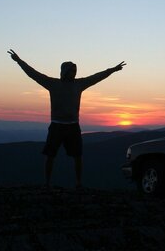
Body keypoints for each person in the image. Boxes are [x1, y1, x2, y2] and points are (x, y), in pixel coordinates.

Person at [7, 49, 126, 189]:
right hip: (57, 126)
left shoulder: (78, 84)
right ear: (64, 71)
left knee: (77, 156)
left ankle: (78, 183)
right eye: (71, 71)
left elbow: (96, 77)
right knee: (51, 155)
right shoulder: (53, 83)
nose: (74, 73)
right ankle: (47, 183)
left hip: (73, 126)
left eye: (75, 71)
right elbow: (33, 74)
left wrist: (113, 69)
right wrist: (19, 61)